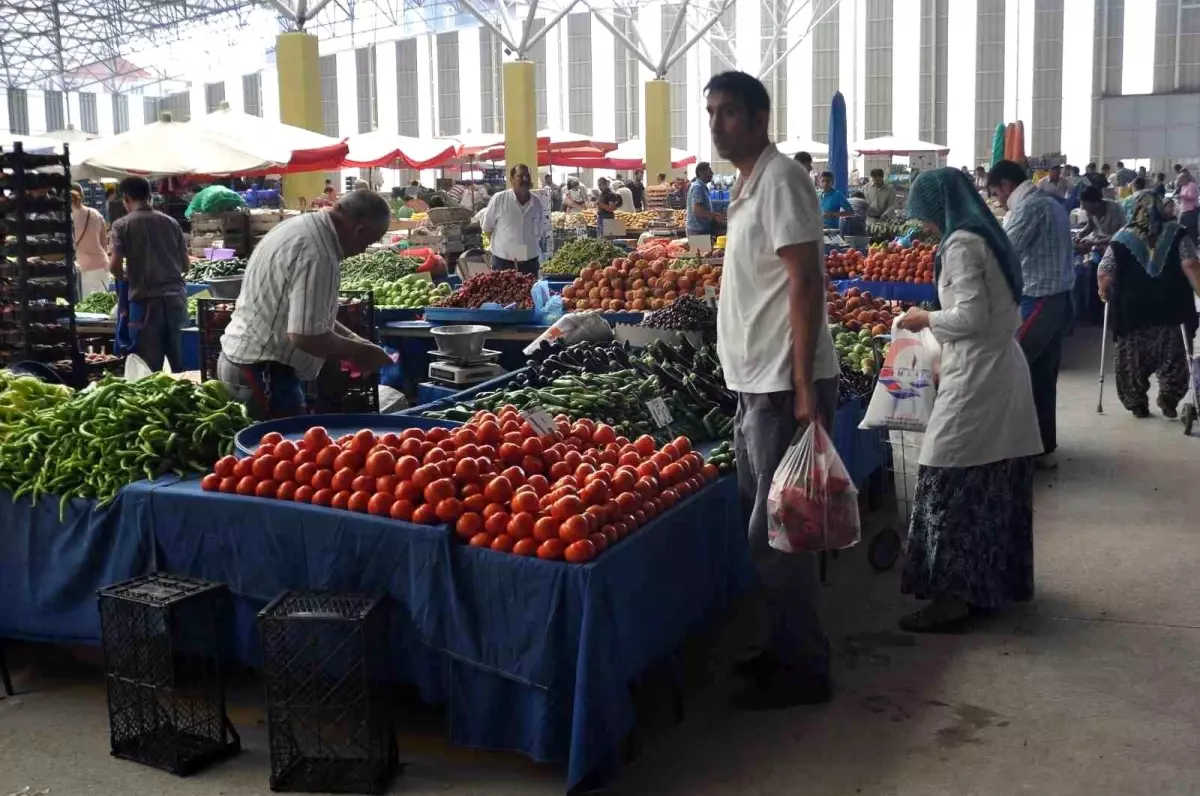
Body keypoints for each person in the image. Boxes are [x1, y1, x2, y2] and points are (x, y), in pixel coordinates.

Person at [706, 71, 839, 709]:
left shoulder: (782, 178)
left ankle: (806, 669)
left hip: (781, 384)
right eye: (711, 113)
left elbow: (805, 281)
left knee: (777, 533)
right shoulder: (746, 184)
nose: (716, 124)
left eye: (729, 112)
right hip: (753, 382)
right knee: (763, 527)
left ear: (760, 118)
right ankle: (783, 648)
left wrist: (803, 383)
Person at [894, 168, 1042, 632]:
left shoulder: (960, 243)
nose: (926, 227)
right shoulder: (984, 233)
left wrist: (925, 318)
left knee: (945, 476)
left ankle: (953, 598)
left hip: (979, 374)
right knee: (990, 477)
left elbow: (971, 315)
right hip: (998, 367)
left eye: (926, 217)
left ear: (941, 206)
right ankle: (988, 584)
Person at [219, 191, 393, 420]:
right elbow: (306, 335)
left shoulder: (299, 226)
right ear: (359, 231)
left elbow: (310, 317)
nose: (361, 252)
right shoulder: (319, 253)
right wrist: (361, 352)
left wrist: (356, 340)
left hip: (243, 363)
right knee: (277, 452)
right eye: (367, 243)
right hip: (262, 373)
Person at [988, 159, 1074, 469]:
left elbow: (1005, 254)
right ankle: (1042, 447)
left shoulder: (1027, 208)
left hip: (1038, 299)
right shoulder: (1050, 203)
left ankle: (1006, 452)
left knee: (1005, 368)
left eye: (996, 193)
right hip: (1059, 300)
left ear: (1007, 186)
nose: (998, 200)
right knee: (1040, 376)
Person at [1098, 191, 1200, 418]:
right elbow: (1191, 264)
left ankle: (1136, 402)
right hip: (1171, 309)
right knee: (1175, 356)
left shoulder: (1122, 237)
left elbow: (1105, 271)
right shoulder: (1177, 233)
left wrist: (1103, 291)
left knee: (1131, 359)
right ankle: (1168, 396)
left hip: (1132, 312)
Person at [107, 177, 188, 373]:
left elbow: (114, 266)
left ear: (126, 198)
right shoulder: (171, 222)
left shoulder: (121, 225)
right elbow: (185, 265)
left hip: (145, 304)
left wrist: (125, 277)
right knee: (181, 364)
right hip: (176, 301)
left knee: (149, 369)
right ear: (149, 196)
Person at [483, 164, 545, 277]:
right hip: (503, 263)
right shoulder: (499, 199)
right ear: (511, 180)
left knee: (529, 293)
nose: (525, 179)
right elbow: (487, 228)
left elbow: (539, 232)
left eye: (528, 176)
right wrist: (503, 248)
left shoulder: (537, 203)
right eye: (520, 176)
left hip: (529, 263)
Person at [71, 186, 109, 297]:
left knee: (88, 310)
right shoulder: (96, 214)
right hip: (102, 265)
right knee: (104, 306)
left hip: (82, 268)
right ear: (82, 196)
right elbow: (104, 242)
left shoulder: (67, 218)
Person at [686, 162, 721, 236]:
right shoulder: (697, 187)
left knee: (705, 248)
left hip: (701, 229)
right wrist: (714, 215)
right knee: (702, 248)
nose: (712, 173)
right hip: (697, 230)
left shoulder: (702, 187)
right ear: (700, 172)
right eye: (709, 171)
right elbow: (697, 211)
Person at [1174, 170, 1198, 241]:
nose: (1180, 182)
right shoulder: (1184, 186)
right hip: (1184, 209)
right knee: (1182, 227)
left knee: (1191, 228)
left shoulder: (1191, 185)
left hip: (1191, 209)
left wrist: (1181, 196)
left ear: (1185, 179)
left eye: (1181, 180)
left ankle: (1193, 243)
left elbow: (1193, 197)